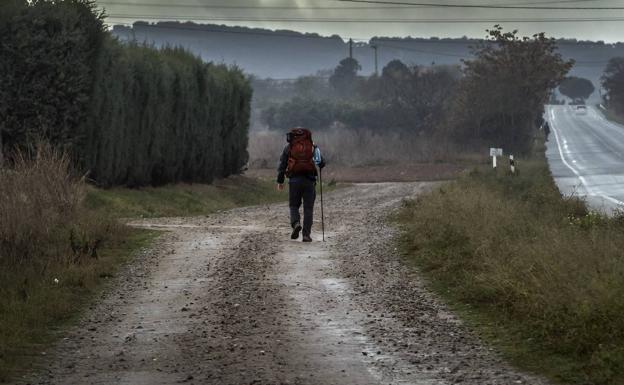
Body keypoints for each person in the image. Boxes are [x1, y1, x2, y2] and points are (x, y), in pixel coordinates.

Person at [277, 127, 325, 242]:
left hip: (294, 181)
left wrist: (280, 181)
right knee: (308, 208)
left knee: (294, 205)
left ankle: (296, 223)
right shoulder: (312, 147)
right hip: (309, 181)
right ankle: (306, 235)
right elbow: (322, 163)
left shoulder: (289, 147)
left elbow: (282, 165)